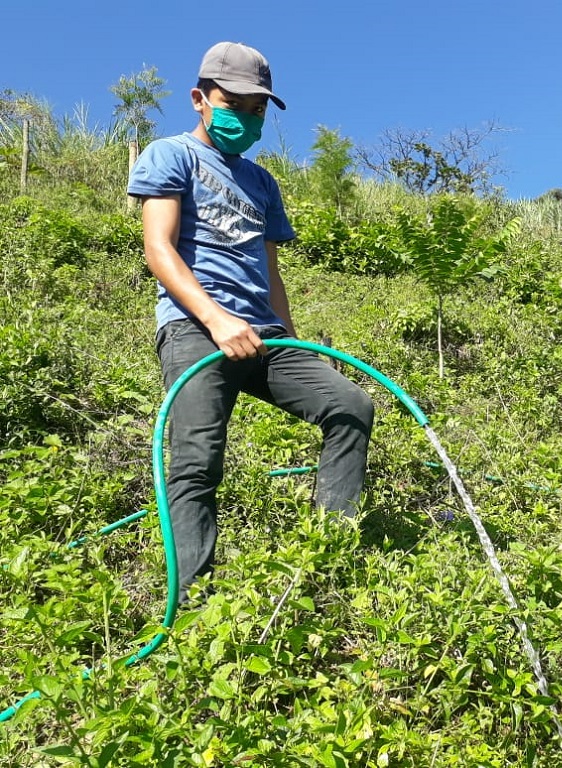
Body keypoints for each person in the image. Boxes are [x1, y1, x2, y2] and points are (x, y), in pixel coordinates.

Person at [128, 42, 374, 604]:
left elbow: (271, 271)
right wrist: (216, 321)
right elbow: (159, 250)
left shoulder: (262, 183)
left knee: (350, 406)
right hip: (196, 328)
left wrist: (293, 340)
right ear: (200, 99)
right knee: (196, 463)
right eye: (233, 104)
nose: (246, 116)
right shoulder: (171, 155)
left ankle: (329, 558)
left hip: (264, 336)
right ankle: (192, 608)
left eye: (257, 109)